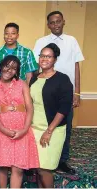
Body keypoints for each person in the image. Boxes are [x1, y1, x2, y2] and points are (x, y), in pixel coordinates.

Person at [33, 11, 84, 174]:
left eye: (58, 21)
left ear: (63, 22)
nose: (56, 24)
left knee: (65, 126)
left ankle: (62, 160)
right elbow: (36, 66)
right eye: (52, 22)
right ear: (48, 25)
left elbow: (76, 67)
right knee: (37, 125)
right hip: (45, 89)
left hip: (65, 90)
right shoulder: (41, 41)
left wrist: (77, 93)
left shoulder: (72, 41)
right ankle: (35, 160)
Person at [0, 55, 39, 188]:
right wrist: (4, 130)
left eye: (13, 68)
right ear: (1, 66)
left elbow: (30, 108)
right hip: (1, 130)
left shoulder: (22, 84)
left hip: (21, 130)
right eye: (7, 66)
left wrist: (24, 130)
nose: (9, 70)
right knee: (3, 166)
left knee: (18, 167)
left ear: (16, 72)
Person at [29, 43, 73, 187]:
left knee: (44, 168)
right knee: (37, 167)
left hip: (52, 130)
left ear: (54, 59)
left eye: (48, 56)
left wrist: (49, 131)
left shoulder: (63, 79)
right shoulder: (35, 78)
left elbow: (64, 108)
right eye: (42, 55)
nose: (44, 59)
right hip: (34, 129)